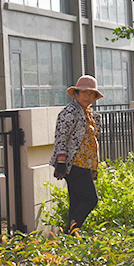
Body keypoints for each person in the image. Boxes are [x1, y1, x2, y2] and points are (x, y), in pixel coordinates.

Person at [50, 75, 103, 234]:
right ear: (76, 94)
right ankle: (69, 232)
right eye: (84, 92)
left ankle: (71, 238)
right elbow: (61, 136)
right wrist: (60, 161)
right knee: (90, 199)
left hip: (85, 164)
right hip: (74, 164)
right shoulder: (69, 112)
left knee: (77, 201)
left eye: (91, 93)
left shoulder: (91, 114)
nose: (87, 96)